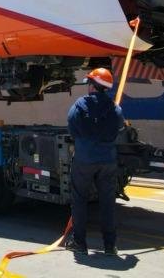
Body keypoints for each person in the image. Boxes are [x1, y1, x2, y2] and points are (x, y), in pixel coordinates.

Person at [66, 68, 125, 256]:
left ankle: (79, 243)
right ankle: (110, 245)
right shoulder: (115, 109)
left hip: (84, 159)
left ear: (92, 86)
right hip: (107, 160)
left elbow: (72, 128)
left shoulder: (79, 105)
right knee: (107, 202)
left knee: (79, 201)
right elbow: (119, 128)